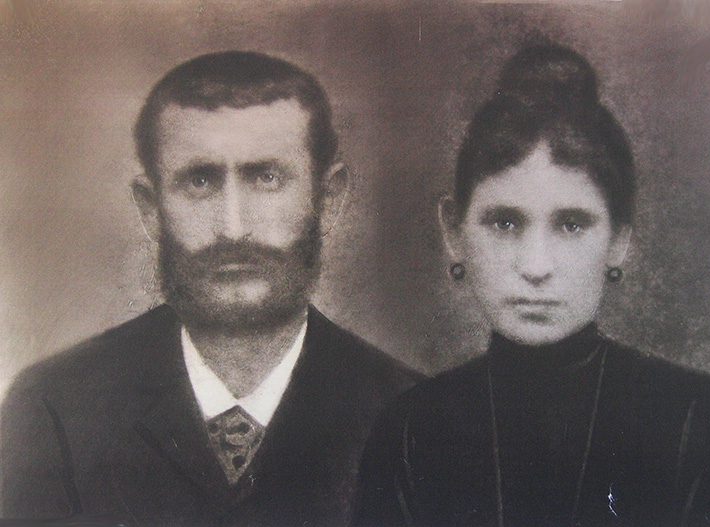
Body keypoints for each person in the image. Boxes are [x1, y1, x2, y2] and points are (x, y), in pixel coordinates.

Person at [1, 51, 421, 527]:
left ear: (327, 200)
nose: (233, 228)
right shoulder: (55, 407)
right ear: (151, 209)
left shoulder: (410, 416)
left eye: (266, 178)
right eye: (200, 181)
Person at [354, 44, 710, 527]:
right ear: (454, 232)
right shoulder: (410, 432)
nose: (536, 266)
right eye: (504, 223)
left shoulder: (698, 420)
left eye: (571, 224)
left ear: (619, 240)